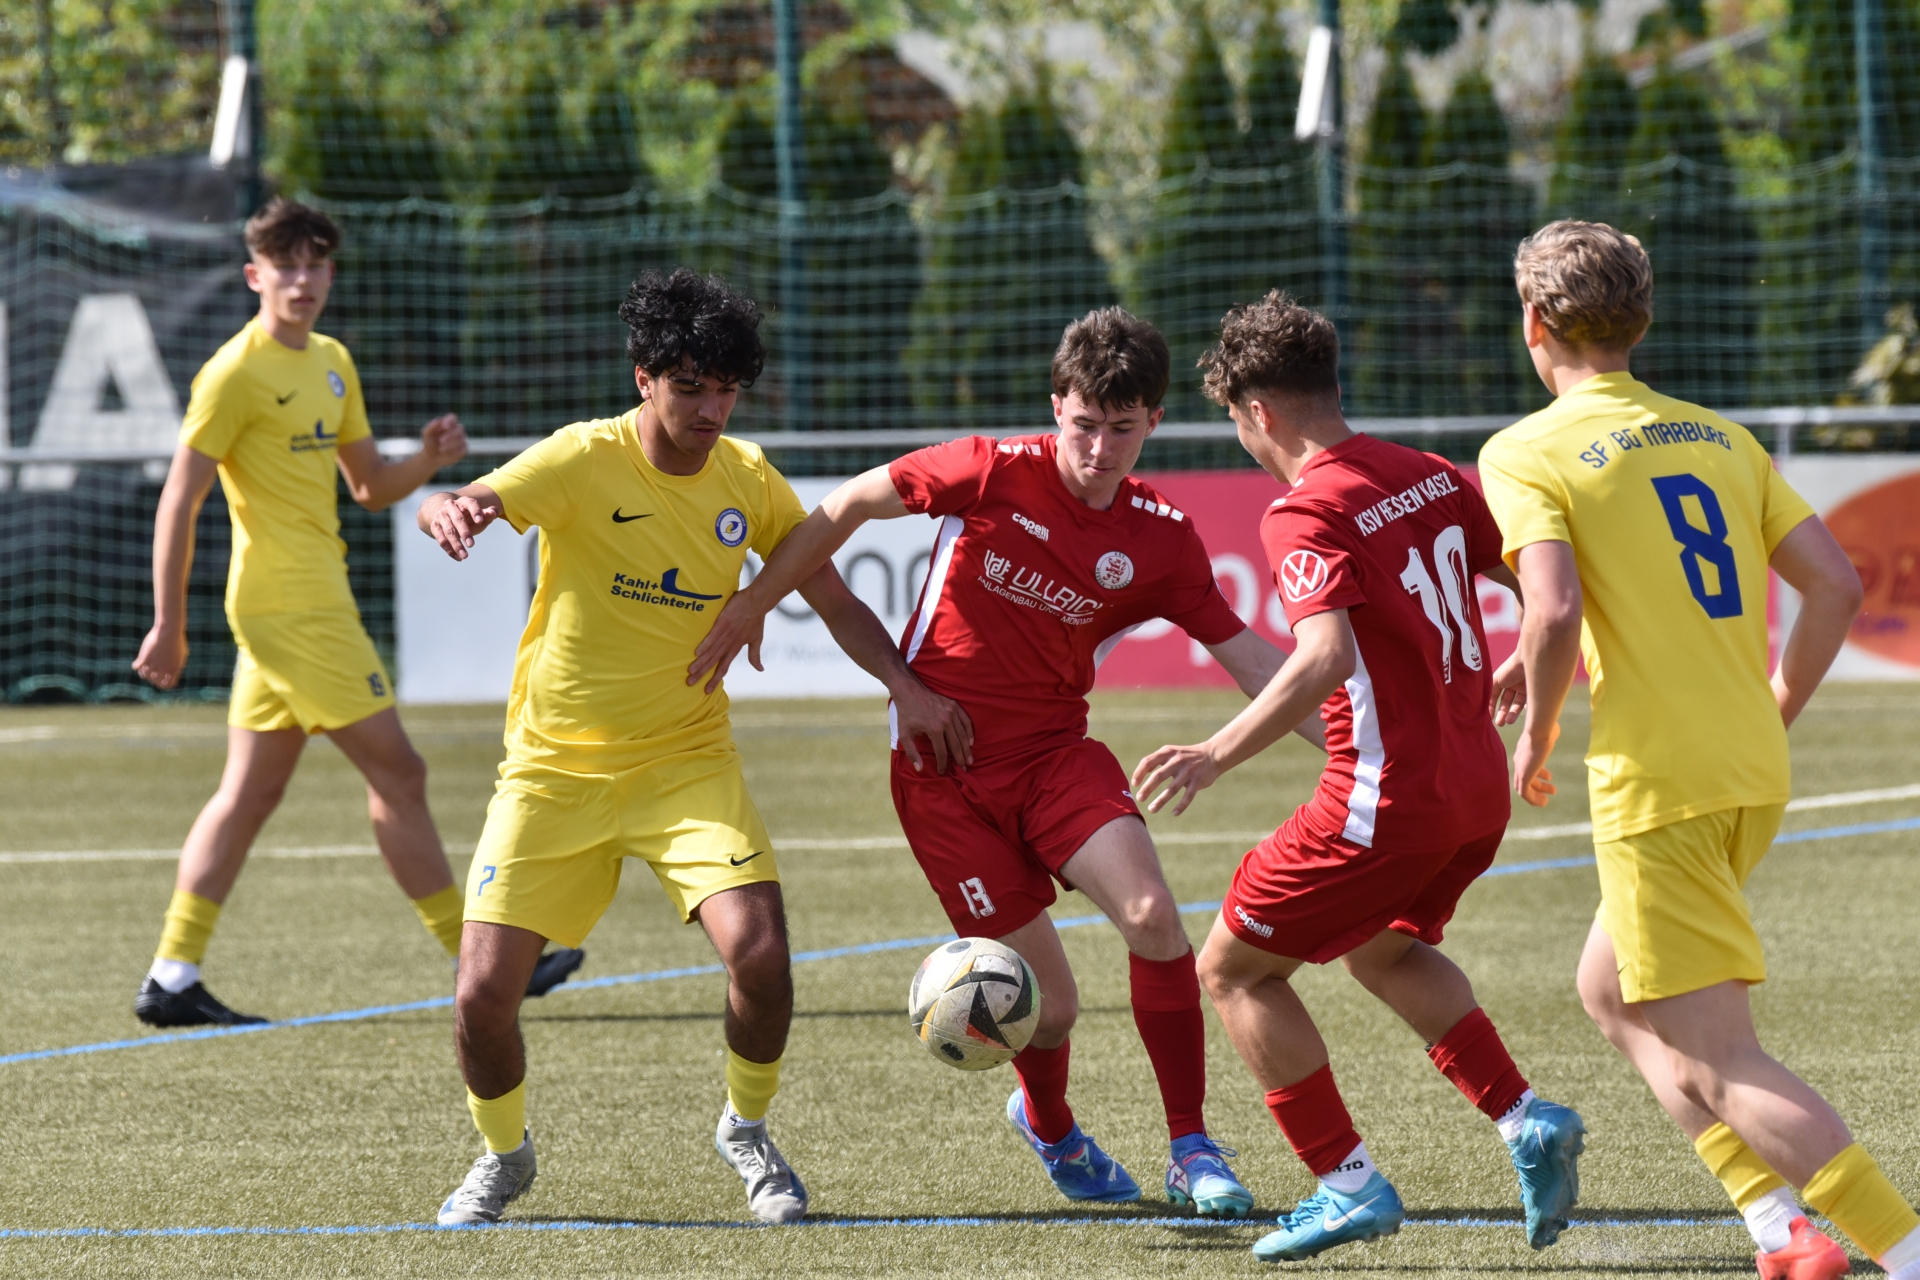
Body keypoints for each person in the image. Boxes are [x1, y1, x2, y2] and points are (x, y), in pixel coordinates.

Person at [690, 307, 1292, 1218]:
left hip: (1056, 756)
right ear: (1056, 408)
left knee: (1152, 917)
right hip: (943, 777)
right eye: (1083, 425)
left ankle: (1191, 1148)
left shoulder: (1162, 537)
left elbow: (1248, 657)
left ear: (1153, 424)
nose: (1098, 450)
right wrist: (759, 607)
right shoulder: (987, 469)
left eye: (1121, 429)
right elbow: (844, 508)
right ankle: (1050, 1125)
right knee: (1049, 1009)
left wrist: (1358, 738)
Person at [417, 268, 965, 1226]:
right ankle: (504, 1156)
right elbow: (468, 498)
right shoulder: (583, 457)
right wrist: (449, 510)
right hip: (553, 770)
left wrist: (907, 687)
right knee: (480, 999)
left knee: (761, 956)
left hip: (686, 763)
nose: (711, 410)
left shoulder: (747, 478)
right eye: (689, 388)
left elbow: (833, 597)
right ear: (645, 379)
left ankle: (746, 1131)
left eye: (727, 391)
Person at [1481, 220, 1916, 1280]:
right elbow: (1836, 586)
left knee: (1721, 1059)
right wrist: (1772, 706)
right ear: (1642, 321)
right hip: (1747, 765)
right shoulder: (1721, 437)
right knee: (1610, 990)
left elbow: (1551, 611)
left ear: (1534, 323)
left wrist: (1536, 733)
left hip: (1659, 782)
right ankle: (1780, 1229)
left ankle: (1905, 1252)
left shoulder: (1525, 449)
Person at [1132, 291, 1587, 1263]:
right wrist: (1523, 656)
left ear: (1259, 412)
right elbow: (1545, 587)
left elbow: (1323, 657)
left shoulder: (1304, 510)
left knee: (1231, 969)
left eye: (1238, 422)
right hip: (1475, 790)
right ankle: (1526, 1119)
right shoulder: (1427, 472)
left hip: (1385, 798)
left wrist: (1214, 753)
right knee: (1383, 948)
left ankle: (1347, 1183)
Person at [130, 198, 582, 1028]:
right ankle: (480, 965)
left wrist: (430, 459)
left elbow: (369, 486)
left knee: (248, 794)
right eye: (285, 266)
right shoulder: (233, 374)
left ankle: (172, 974)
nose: (301, 281)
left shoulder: (333, 361)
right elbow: (178, 500)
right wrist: (168, 621)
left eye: (315, 266)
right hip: (290, 608)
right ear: (254, 276)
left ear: (330, 274)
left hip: (309, 601)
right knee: (400, 773)